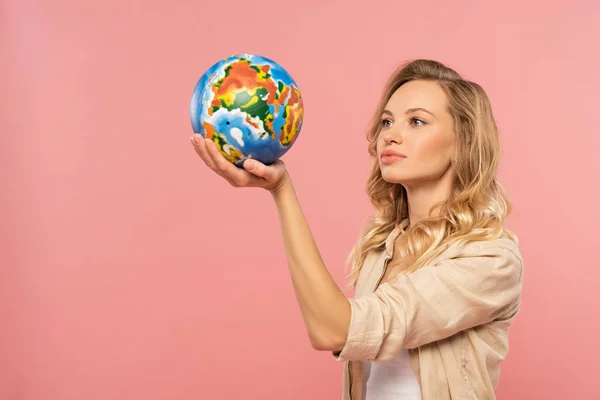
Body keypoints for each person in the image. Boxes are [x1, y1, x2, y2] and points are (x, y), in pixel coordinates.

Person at [190, 59, 524, 400]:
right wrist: (277, 187)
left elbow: (335, 330)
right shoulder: (382, 248)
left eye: (417, 121)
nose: (391, 135)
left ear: (462, 143)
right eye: (387, 121)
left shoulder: (491, 259)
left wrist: (282, 190)